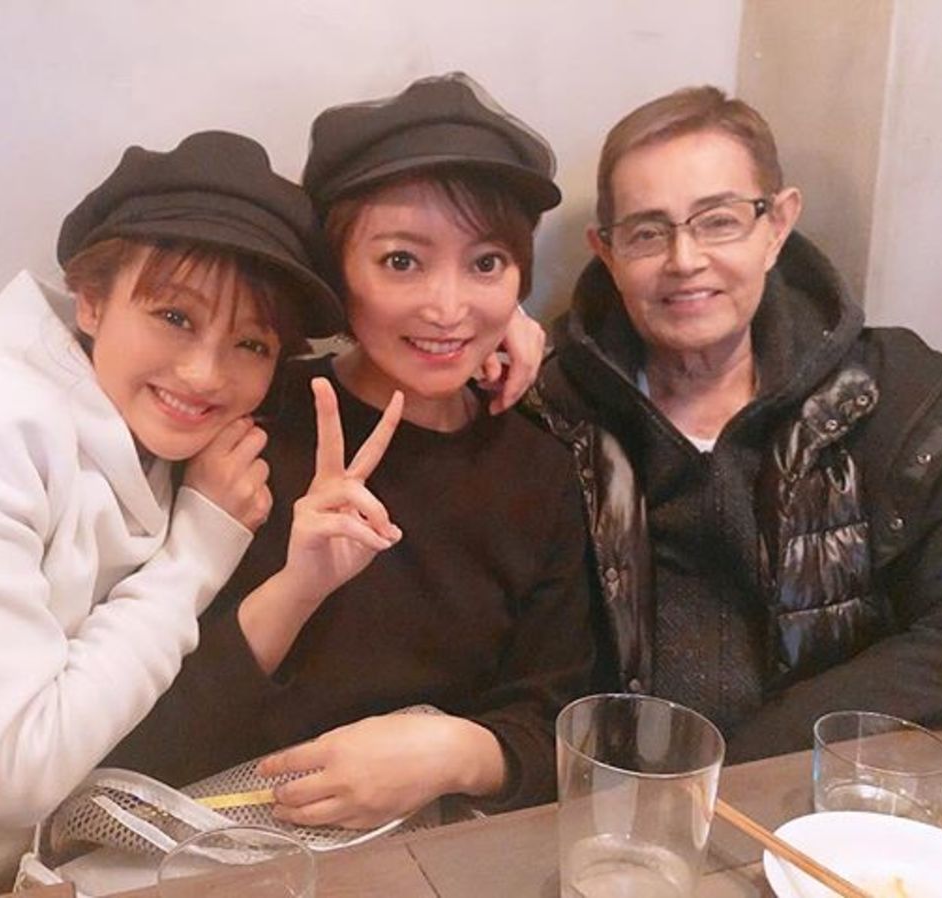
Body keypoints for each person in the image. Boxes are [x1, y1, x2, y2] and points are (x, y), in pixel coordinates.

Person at [0, 131, 350, 896]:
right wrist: (196, 553)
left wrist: (486, 351)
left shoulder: (166, 429)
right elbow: (19, 769)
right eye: (175, 317)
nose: (205, 372)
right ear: (92, 298)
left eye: (251, 343)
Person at [109, 73, 594, 827]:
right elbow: (136, 741)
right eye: (401, 261)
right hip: (218, 848)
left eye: (486, 263)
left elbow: (560, 723)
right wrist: (297, 588)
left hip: (440, 851)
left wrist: (454, 754)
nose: (448, 308)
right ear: (338, 275)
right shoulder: (244, 413)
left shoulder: (537, 467)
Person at [528, 85, 942, 762]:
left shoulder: (896, 395)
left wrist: (759, 761)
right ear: (606, 252)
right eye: (647, 233)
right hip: (615, 793)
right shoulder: (554, 412)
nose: (684, 260)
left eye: (718, 221)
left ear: (777, 226)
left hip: (819, 787)